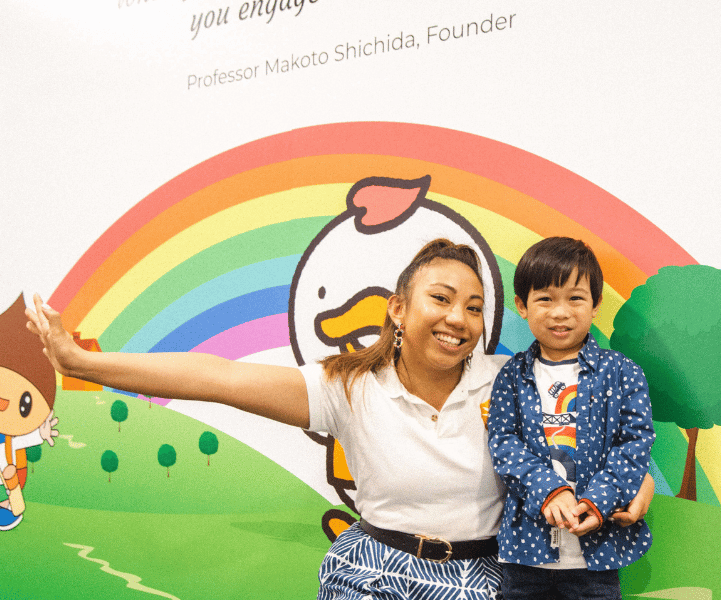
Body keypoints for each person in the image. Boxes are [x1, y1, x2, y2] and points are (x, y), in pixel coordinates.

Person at [27, 238, 653, 599]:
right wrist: (81, 362)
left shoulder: (509, 379)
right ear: (398, 310)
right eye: (440, 299)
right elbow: (217, 378)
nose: (457, 319)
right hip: (372, 573)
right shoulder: (347, 386)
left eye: (473, 307)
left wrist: (640, 485)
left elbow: (592, 449)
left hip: (488, 579)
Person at [487, 237, 656, 600]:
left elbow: (635, 443)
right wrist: (549, 490)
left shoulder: (622, 372)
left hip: (597, 559)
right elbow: (503, 443)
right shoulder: (511, 377)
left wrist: (600, 501)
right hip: (525, 558)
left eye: (575, 298)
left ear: (595, 305)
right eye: (545, 299)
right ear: (522, 305)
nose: (560, 312)